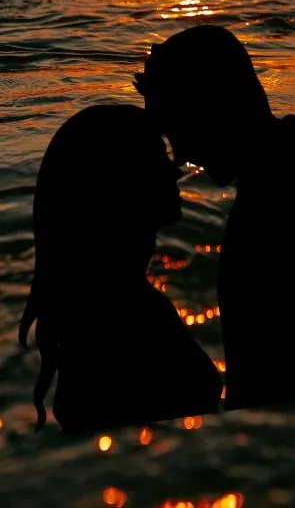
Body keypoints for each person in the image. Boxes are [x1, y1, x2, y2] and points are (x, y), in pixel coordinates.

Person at [134, 24, 295, 411]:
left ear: (212, 109)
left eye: (177, 129)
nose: (180, 156)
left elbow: (271, 385)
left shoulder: (279, 209)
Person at [19, 104, 222, 433]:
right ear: (122, 183)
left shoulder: (96, 307)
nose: (176, 170)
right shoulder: (132, 314)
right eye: (158, 157)